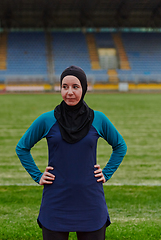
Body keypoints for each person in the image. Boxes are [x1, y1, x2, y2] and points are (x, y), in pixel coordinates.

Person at [15, 65, 127, 240]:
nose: (69, 92)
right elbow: (22, 148)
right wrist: (37, 176)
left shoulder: (99, 119)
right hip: (56, 202)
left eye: (75, 87)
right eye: (64, 86)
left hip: (90, 201)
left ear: (84, 88)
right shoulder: (47, 119)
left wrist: (107, 173)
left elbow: (120, 146)